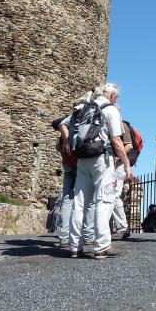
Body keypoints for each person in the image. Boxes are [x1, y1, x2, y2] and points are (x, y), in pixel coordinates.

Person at [68, 82, 133, 259]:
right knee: (104, 200)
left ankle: (75, 246)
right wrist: (126, 164)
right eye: (117, 97)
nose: (116, 100)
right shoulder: (110, 110)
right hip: (101, 158)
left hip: (82, 158)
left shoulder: (81, 108)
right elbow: (117, 141)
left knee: (80, 202)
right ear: (111, 95)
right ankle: (102, 246)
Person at [55, 92, 95, 249]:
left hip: (68, 163)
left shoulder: (72, 118)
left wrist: (67, 143)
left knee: (67, 198)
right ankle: (88, 235)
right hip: (80, 161)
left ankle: (64, 236)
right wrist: (74, 145)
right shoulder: (87, 113)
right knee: (88, 199)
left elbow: (58, 144)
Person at [110, 119, 135, 240]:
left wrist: (117, 157)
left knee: (115, 194)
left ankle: (122, 227)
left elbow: (129, 145)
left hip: (118, 165)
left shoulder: (122, 124)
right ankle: (111, 228)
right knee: (108, 194)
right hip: (112, 164)